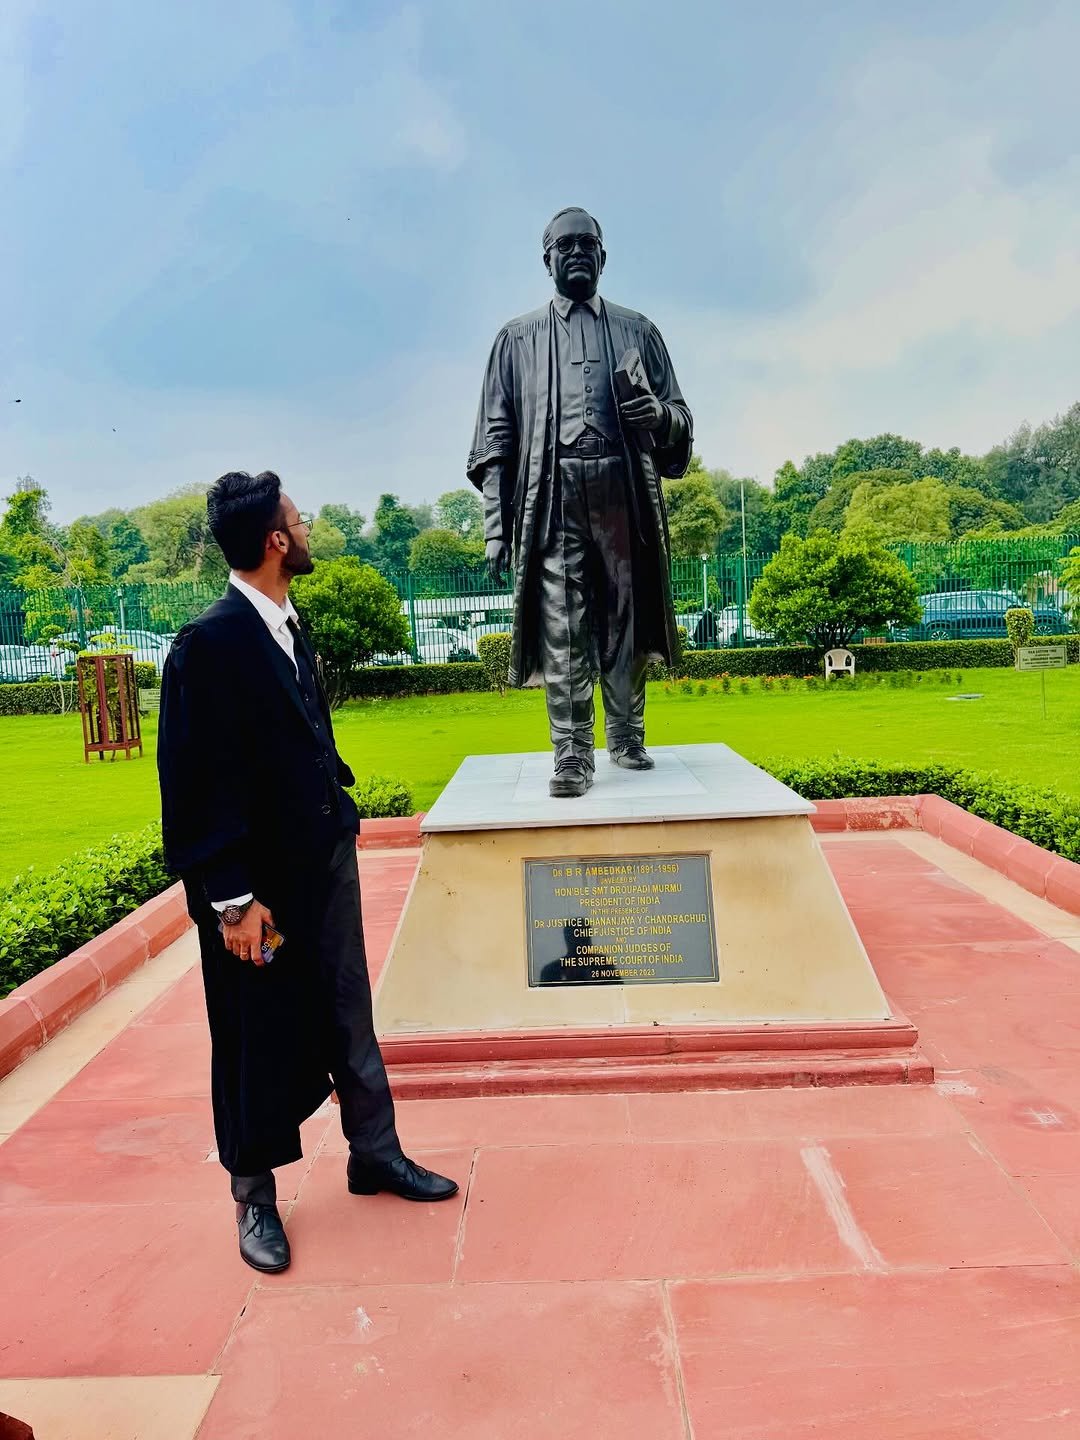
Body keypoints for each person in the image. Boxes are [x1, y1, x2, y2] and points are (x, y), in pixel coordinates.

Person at [157, 471, 457, 1274]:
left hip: (324, 856)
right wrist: (232, 899)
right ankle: (253, 1198)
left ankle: (375, 1153)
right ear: (275, 540)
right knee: (252, 1034)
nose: (308, 523)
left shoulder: (291, 623)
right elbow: (194, 783)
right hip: (255, 888)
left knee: (348, 1008)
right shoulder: (208, 644)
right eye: (298, 517)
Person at [467, 206, 693, 797]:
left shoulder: (639, 330)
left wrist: (659, 418)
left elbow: (681, 418)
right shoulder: (516, 339)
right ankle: (571, 753)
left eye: (585, 243)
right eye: (562, 246)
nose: (575, 253)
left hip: (623, 491)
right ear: (546, 260)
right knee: (564, 624)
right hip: (551, 494)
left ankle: (626, 733)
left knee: (624, 613)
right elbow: (495, 442)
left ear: (602, 253)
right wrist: (497, 528)